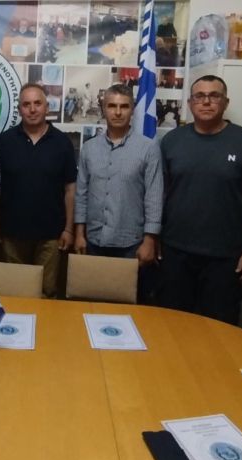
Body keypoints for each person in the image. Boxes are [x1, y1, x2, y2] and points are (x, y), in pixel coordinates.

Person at [159, 75, 242, 324]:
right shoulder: (171, 141)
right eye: (199, 96)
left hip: (225, 257)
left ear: (226, 102)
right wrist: (156, 237)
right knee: (172, 323)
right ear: (190, 103)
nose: (206, 102)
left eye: (214, 96)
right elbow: (161, 194)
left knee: (220, 327)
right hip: (175, 251)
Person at [74, 84, 163, 303]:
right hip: (93, 241)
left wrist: (149, 241)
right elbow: (81, 193)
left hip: (131, 245)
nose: (118, 112)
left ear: (132, 109)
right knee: (92, 303)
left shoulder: (148, 148)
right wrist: (79, 234)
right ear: (103, 109)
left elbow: (154, 196)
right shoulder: (89, 148)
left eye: (124, 106)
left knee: (128, 307)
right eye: (112, 106)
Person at [0, 83, 76, 298]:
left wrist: (68, 229)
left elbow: (70, 189)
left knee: (47, 293)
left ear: (47, 107)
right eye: (26, 104)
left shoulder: (62, 142)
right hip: (12, 233)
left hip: (51, 235)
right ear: (19, 109)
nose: (32, 109)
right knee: (14, 292)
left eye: (37, 103)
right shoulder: (5, 141)